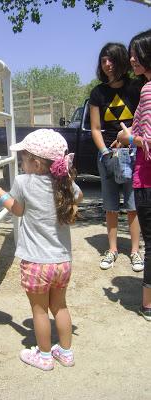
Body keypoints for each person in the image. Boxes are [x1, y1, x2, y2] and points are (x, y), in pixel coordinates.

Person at [0, 129, 83, 371]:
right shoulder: (65, 184)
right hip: (62, 262)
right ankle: (65, 353)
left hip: (36, 263)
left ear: (36, 162)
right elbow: (80, 196)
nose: (21, 165)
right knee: (60, 306)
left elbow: (17, 210)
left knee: (39, 310)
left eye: (22, 160)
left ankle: (43, 356)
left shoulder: (23, 182)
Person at [89, 42, 144, 272]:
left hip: (133, 154)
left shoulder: (138, 87)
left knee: (133, 206)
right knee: (110, 206)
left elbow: (143, 121)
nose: (107, 64)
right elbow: (95, 128)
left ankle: (135, 251)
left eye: (111, 59)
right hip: (108, 156)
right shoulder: (98, 92)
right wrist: (104, 152)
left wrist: (128, 138)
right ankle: (111, 250)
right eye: (103, 60)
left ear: (122, 61)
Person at [117, 29, 151, 321]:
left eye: (136, 53)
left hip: (147, 176)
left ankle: (147, 304)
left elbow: (148, 139)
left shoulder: (149, 90)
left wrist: (129, 137)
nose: (131, 58)